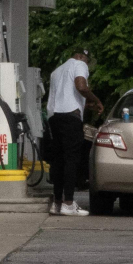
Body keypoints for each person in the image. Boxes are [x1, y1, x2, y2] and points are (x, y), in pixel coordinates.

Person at [46, 49, 103, 216]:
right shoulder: (80, 64)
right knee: (72, 159)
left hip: (55, 118)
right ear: (82, 57)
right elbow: (81, 86)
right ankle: (69, 203)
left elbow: (64, 98)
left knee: (58, 160)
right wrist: (96, 100)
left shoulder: (57, 71)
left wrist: (85, 105)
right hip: (71, 120)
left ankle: (57, 203)